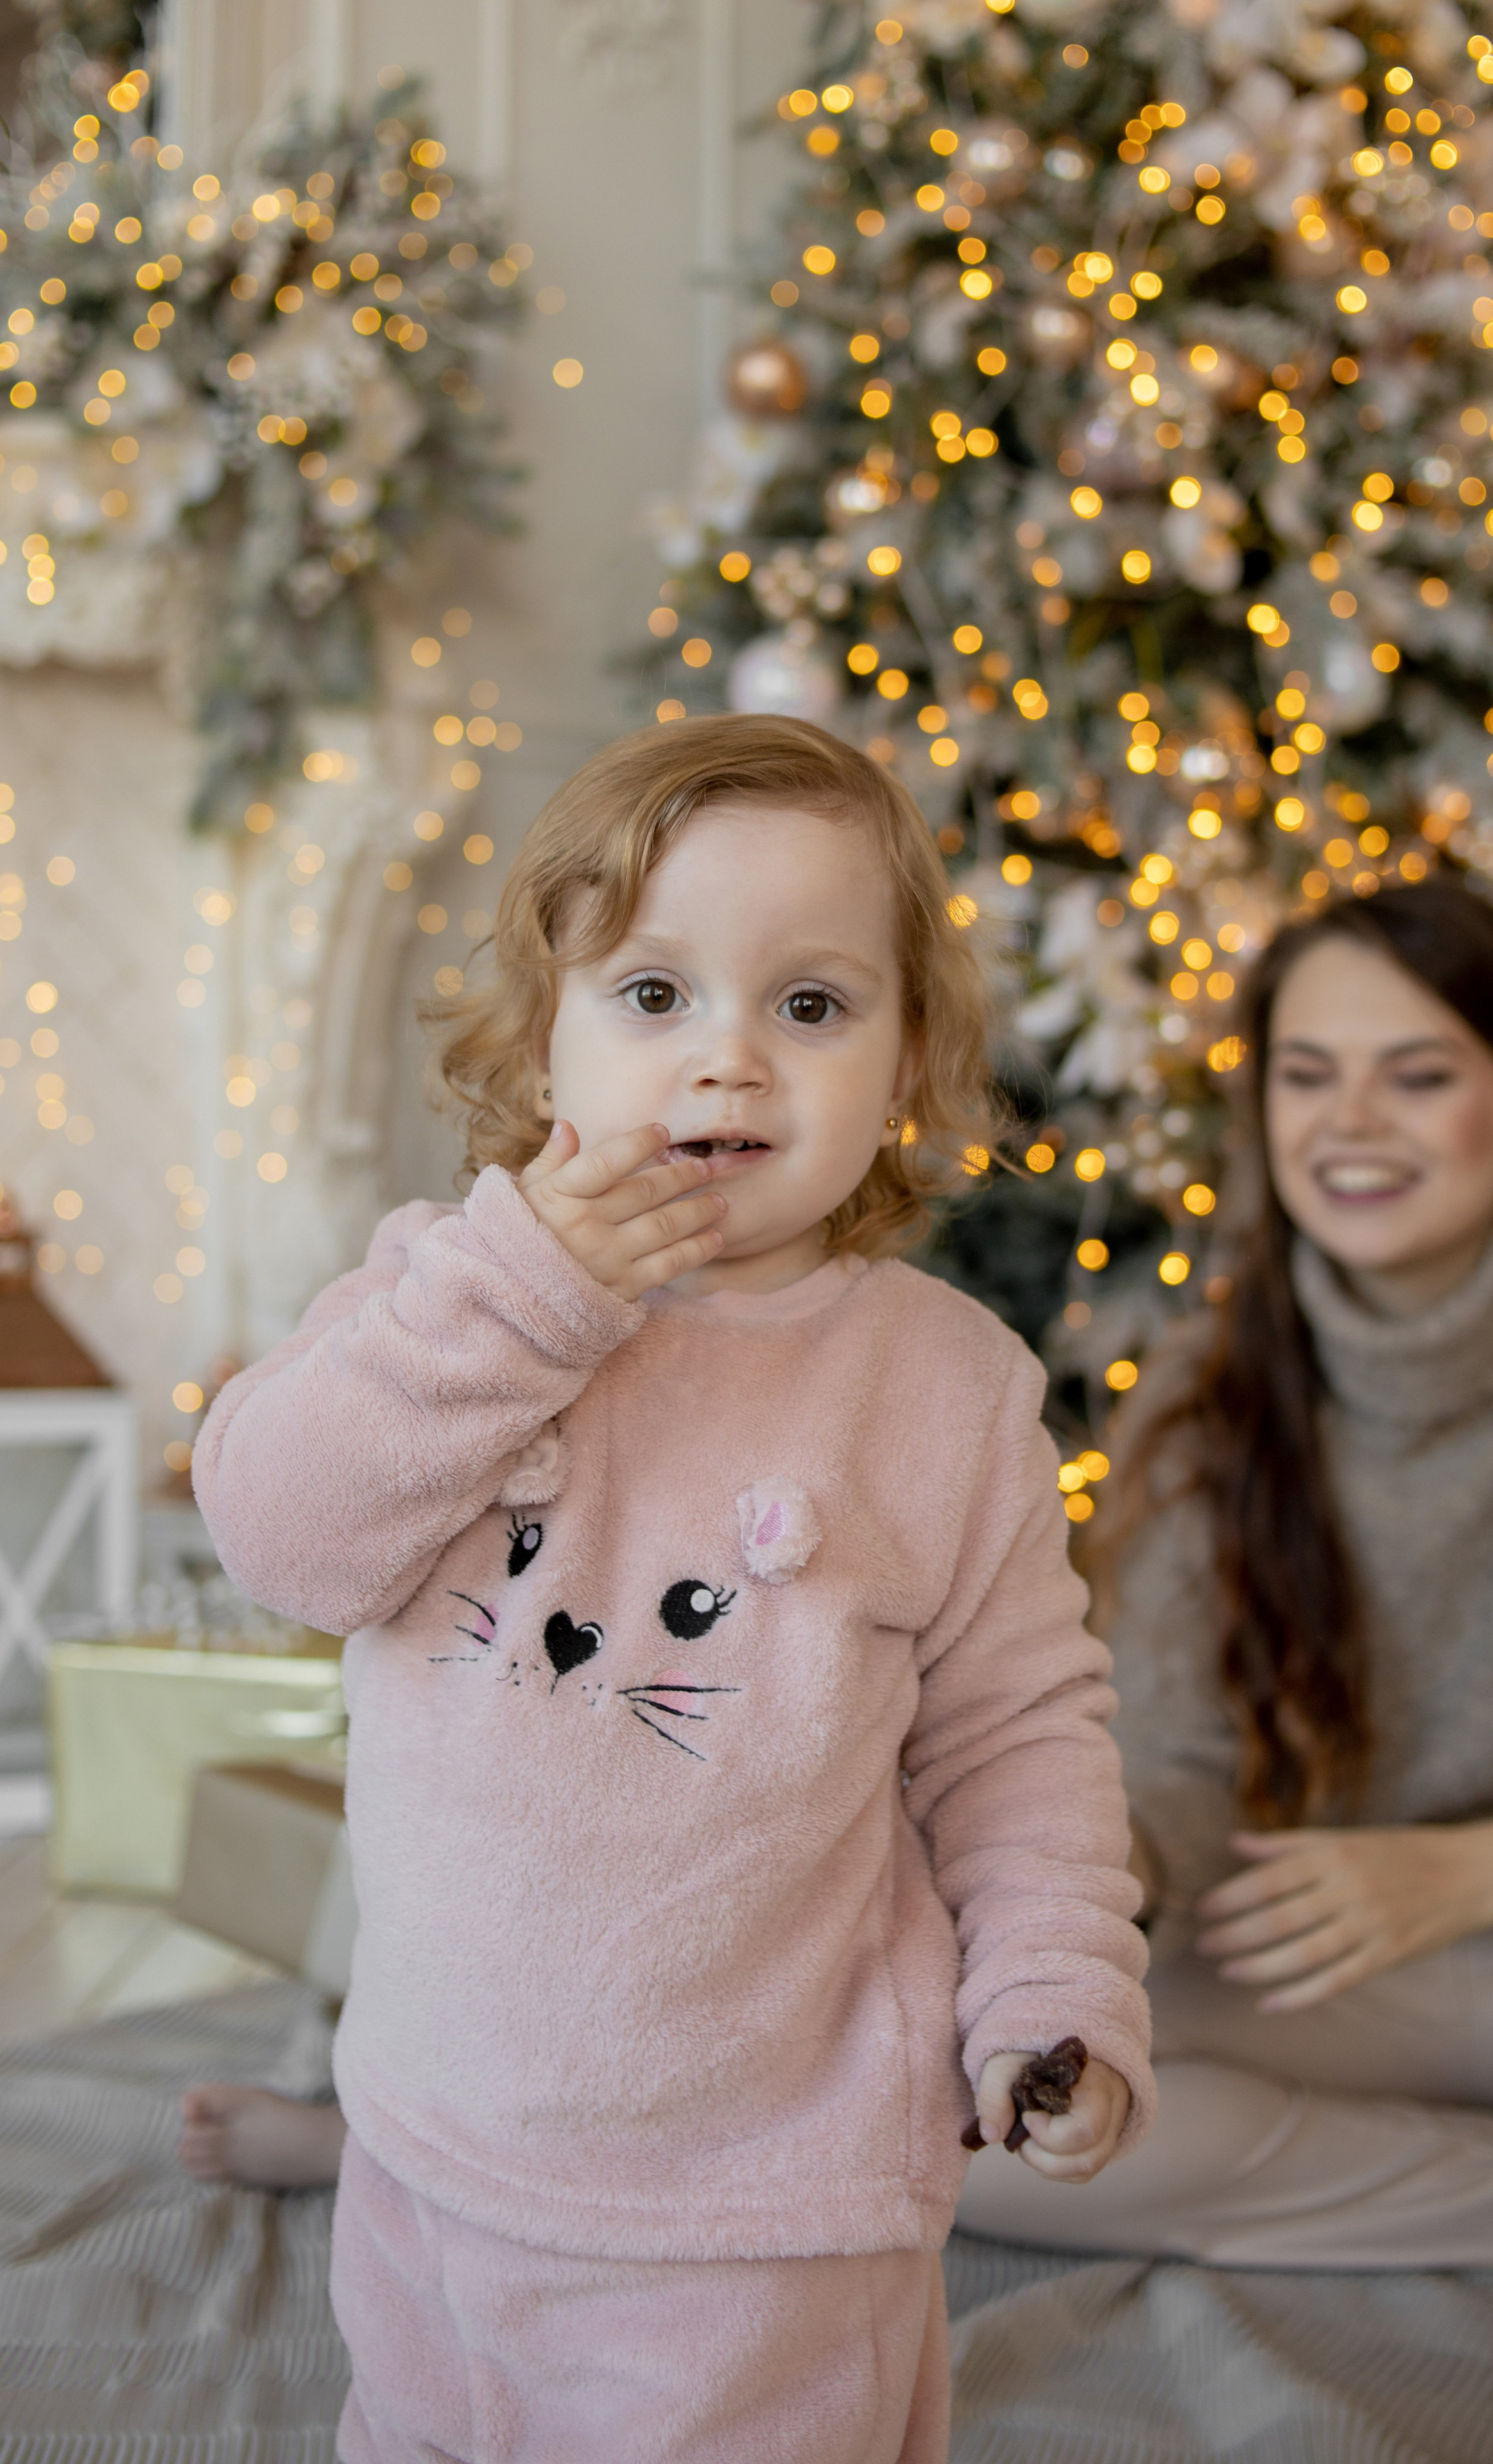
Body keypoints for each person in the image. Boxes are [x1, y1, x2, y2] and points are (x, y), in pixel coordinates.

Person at [189, 714, 1154, 2464]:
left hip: (760, 2217)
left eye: (812, 1005)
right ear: (542, 1036)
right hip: (433, 2152)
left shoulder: (945, 1391)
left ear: (908, 1060)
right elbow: (284, 1542)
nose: (730, 1062)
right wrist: (522, 1298)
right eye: (653, 995)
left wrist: (1053, 1996)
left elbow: (1018, 1745)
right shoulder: (443, 1295)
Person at [959, 880, 1493, 2270]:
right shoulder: (1206, 1395)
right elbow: (1177, 1769)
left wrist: (1466, 1875)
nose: (1351, 1123)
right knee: (946, 2112)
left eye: (1419, 1076)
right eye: (1308, 1075)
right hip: (1307, 1960)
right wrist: (1108, 1872)